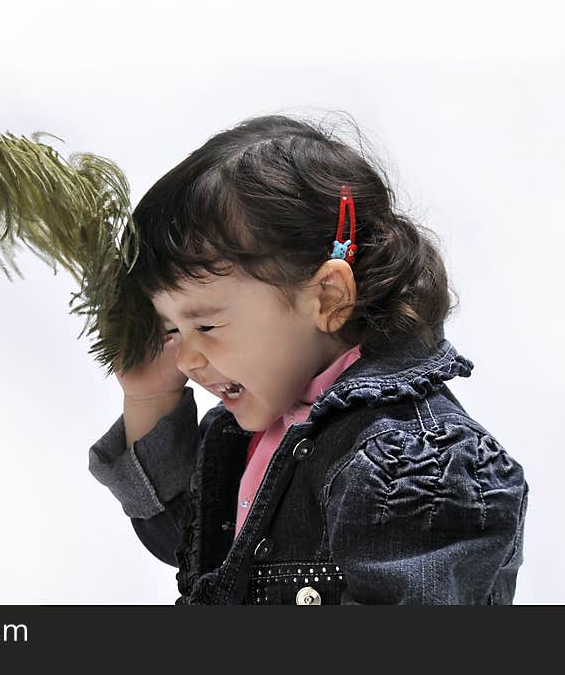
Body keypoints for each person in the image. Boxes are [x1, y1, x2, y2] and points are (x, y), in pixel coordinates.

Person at [88, 114, 528, 605]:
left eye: (205, 325)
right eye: (171, 328)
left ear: (328, 297)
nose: (187, 358)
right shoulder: (251, 427)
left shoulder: (413, 463)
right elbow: (185, 546)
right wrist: (150, 397)